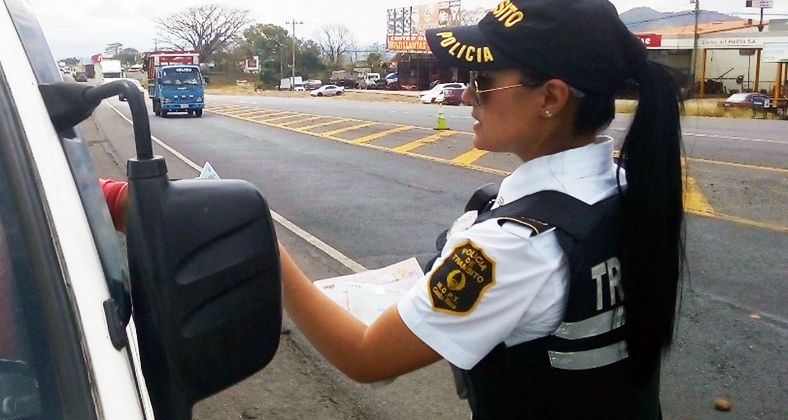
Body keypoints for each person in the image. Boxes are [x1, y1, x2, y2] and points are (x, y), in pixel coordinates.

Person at [277, 0, 684, 419]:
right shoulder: (622, 188)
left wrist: (271, 256)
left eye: (483, 80)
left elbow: (366, 356)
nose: (468, 94)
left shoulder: (516, 244)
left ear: (550, 97)